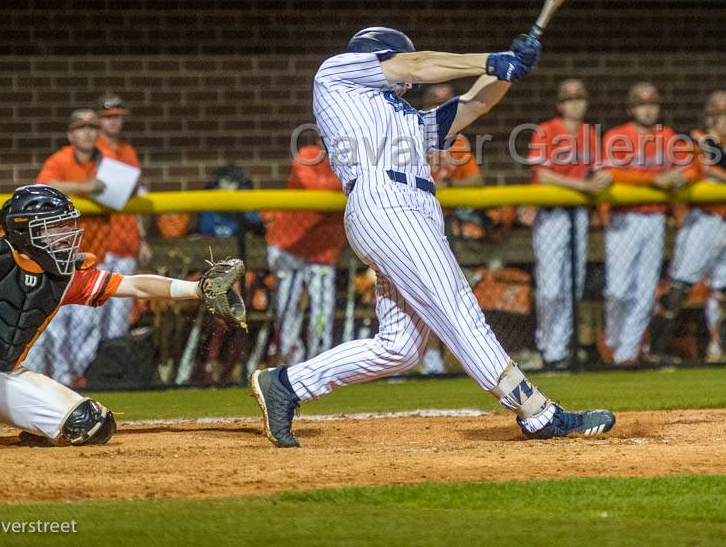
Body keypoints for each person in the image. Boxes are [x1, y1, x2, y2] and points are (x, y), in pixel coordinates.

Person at [249, 26, 615, 447]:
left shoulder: (398, 115)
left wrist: (509, 69)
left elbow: (471, 106)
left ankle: (287, 384)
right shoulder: (338, 75)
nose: (406, 82)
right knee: (458, 305)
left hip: (411, 210)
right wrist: (489, 59)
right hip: (386, 202)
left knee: (400, 347)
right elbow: (417, 65)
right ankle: (537, 413)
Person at [0, 185, 245, 452]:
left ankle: (33, 422)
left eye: (66, 227)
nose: (65, 236)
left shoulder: (65, 275)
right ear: (24, 232)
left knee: (93, 425)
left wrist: (196, 290)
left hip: (3, 375)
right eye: (53, 228)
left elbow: (133, 284)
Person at [651, 91, 726, 364]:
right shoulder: (696, 140)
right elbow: (702, 169)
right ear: (708, 118)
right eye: (719, 115)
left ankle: (724, 351)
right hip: (702, 222)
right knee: (680, 288)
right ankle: (655, 350)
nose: (725, 120)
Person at [600, 83, 689, 365]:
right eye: (641, 104)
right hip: (624, 220)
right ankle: (614, 340)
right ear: (631, 108)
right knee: (618, 289)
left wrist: (683, 176)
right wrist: (653, 179)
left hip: (654, 219)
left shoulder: (668, 137)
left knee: (645, 290)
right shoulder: (617, 137)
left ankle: (627, 353)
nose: (648, 109)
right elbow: (611, 172)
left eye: (652, 104)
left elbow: (689, 165)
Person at [528, 78, 611, 369]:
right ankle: (547, 348)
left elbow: (600, 172)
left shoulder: (590, 134)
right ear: (560, 105)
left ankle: (559, 352)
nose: (575, 104)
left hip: (578, 215)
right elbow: (542, 175)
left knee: (571, 288)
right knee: (551, 287)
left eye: (580, 99)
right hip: (552, 215)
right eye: (570, 100)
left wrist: (602, 179)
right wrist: (584, 186)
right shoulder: (546, 131)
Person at [24, 110, 109, 386]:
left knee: (88, 324)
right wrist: (85, 187)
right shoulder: (60, 159)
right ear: (71, 135)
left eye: (92, 127)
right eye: (81, 128)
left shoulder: (107, 161)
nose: (88, 133)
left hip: (96, 250)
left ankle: (77, 375)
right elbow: (43, 185)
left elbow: (127, 188)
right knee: (58, 326)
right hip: (59, 256)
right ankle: (60, 378)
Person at [420, 82, 485, 374]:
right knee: (422, 293)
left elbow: (476, 182)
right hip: (412, 222)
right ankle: (427, 355)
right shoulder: (412, 132)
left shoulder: (457, 142)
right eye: (437, 100)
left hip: (444, 224)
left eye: (448, 101)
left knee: (448, 293)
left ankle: (452, 358)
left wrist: (447, 184)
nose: (443, 105)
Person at [265, 134, 346, 363]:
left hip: (323, 251)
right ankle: (291, 361)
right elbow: (314, 188)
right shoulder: (308, 156)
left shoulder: (356, 162)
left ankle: (319, 363)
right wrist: (346, 183)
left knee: (322, 310)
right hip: (289, 245)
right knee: (287, 309)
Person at [95, 93, 151, 342]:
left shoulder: (128, 151)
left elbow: (135, 196)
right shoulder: (93, 151)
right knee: (94, 315)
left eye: (117, 117)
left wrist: (143, 239)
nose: (114, 122)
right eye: (108, 118)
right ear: (99, 121)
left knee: (119, 318)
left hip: (127, 242)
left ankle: (111, 372)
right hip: (101, 244)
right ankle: (86, 373)